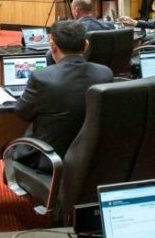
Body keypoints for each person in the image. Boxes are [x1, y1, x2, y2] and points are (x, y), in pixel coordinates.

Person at [11, 20, 113, 172]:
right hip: (92, 158)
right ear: (86, 45)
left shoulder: (41, 77)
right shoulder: (105, 73)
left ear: (53, 46)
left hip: (50, 160)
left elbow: (22, 113)